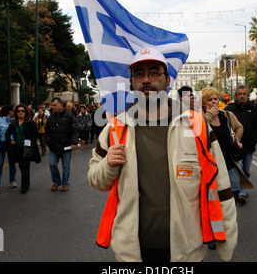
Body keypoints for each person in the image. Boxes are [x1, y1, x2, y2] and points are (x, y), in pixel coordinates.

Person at [88, 48, 237, 262]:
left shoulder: (196, 125)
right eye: (139, 74)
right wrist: (109, 164)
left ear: (167, 80)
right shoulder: (115, 128)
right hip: (132, 253)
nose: (146, 80)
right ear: (131, 83)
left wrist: (227, 243)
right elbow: (95, 179)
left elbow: (221, 186)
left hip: (186, 251)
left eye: (154, 73)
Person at [202, 87, 252, 204]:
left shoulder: (226, 115)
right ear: (204, 103)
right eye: (210, 99)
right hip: (211, 166)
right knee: (214, 201)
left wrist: (236, 140)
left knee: (231, 198)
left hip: (229, 163)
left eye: (216, 98)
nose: (214, 101)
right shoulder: (200, 118)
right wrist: (209, 116)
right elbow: (200, 133)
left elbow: (239, 127)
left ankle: (229, 221)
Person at [226, 84, 257, 203]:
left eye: (244, 94)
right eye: (240, 94)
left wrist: (254, 140)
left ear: (247, 95)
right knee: (238, 168)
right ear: (236, 95)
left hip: (248, 146)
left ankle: (241, 188)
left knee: (246, 170)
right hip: (234, 146)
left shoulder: (254, 109)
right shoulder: (229, 109)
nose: (242, 96)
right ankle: (240, 192)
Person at [45, 97, 79, 192]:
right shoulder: (51, 117)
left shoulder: (69, 116)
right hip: (54, 146)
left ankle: (65, 183)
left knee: (66, 166)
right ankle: (56, 181)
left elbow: (75, 130)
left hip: (66, 146)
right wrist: (48, 141)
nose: (53, 107)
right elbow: (46, 131)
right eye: (52, 105)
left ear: (60, 105)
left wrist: (74, 142)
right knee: (52, 164)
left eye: (54, 105)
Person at [5, 104, 41, 193]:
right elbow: (7, 134)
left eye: (22, 111)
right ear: (16, 113)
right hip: (17, 148)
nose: (20, 112)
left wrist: (30, 143)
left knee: (25, 166)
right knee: (21, 166)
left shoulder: (29, 122)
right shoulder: (13, 123)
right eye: (18, 111)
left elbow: (35, 134)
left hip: (26, 148)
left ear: (26, 112)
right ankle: (27, 182)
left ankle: (24, 186)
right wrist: (10, 141)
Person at [0, 105, 16, 192]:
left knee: (12, 163)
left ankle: (12, 180)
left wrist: (13, 140)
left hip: (11, 144)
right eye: (13, 110)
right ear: (9, 111)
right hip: (2, 144)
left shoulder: (13, 121)